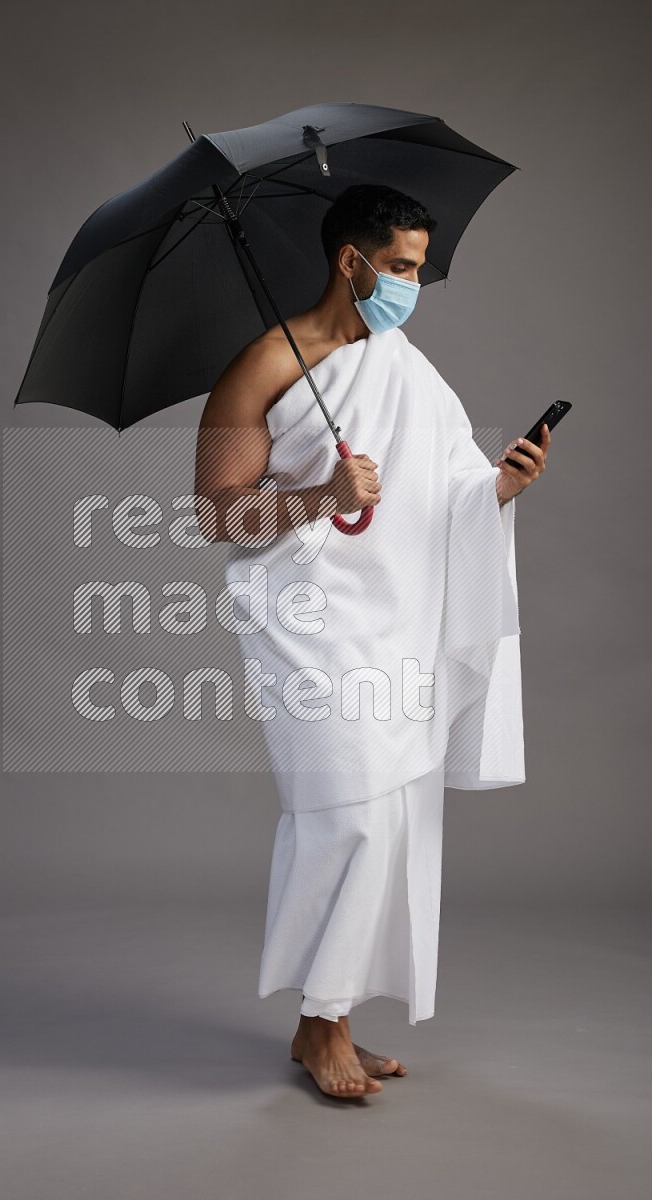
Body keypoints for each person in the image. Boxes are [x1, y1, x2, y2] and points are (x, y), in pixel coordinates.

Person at [195, 184, 551, 1099]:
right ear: (350, 262)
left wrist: (500, 488)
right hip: (306, 624)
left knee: (393, 818)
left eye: (419, 270)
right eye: (399, 267)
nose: (411, 286)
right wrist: (325, 497)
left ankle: (330, 1020)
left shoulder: (405, 365)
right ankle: (322, 1025)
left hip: (397, 619)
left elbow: (450, 491)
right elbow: (219, 516)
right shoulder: (262, 365)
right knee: (344, 814)